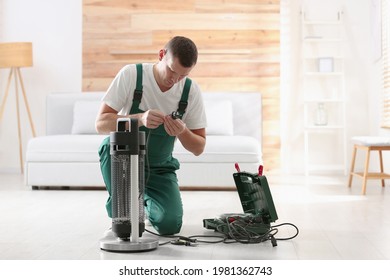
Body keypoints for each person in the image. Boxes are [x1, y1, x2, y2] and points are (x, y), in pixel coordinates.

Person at [95, 36, 207, 235]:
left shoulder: (190, 91)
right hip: (125, 162)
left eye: (182, 75)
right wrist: (138, 118)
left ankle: (141, 202)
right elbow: (101, 124)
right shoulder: (132, 75)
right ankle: (127, 208)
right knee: (107, 145)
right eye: (172, 70)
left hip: (160, 169)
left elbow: (198, 148)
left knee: (170, 225)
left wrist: (182, 132)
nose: (175, 80)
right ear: (162, 55)